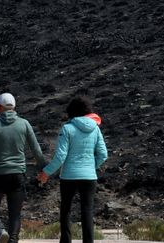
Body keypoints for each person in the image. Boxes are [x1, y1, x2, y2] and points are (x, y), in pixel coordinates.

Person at [37, 96, 109, 243]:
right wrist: (90, 167)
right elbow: (103, 154)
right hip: (89, 177)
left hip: (69, 177)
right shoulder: (95, 128)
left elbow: (60, 157)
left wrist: (46, 172)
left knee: (66, 210)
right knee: (87, 211)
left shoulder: (67, 128)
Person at [0, 92, 48, 243]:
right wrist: (44, 169)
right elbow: (36, 150)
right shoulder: (24, 124)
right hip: (18, 174)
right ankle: (12, 240)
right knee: (15, 214)